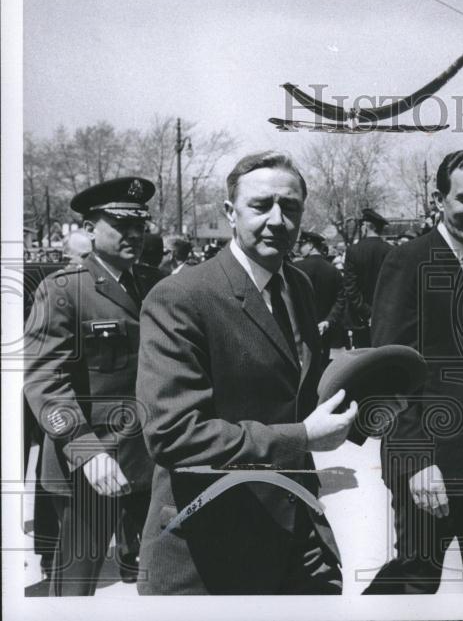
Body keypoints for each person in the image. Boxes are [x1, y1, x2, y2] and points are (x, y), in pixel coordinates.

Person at [135, 152, 358, 594]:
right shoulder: (181, 296)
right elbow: (172, 433)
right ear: (230, 213)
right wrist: (303, 437)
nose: (277, 220)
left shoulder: (299, 285)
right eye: (261, 205)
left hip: (294, 539)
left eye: (290, 207)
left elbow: (293, 391)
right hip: (208, 549)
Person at [364, 150, 463, 594]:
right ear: (439, 199)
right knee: (415, 585)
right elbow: (388, 373)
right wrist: (417, 462)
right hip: (429, 466)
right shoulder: (408, 261)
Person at [23, 177, 160, 595]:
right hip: (89, 462)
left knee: (159, 574)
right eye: (121, 224)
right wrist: (86, 451)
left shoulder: (153, 284)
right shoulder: (65, 290)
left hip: (148, 456)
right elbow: (45, 380)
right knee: (76, 585)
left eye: (140, 225)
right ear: (89, 228)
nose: (134, 235)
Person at [342, 208, 393, 348]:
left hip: (359, 319)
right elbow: (392, 288)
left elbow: (350, 288)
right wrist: (377, 313)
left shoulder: (353, 251)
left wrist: (366, 312)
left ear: (366, 226)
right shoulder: (390, 250)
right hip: (384, 318)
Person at [293, 230, 346, 356]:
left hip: (300, 329)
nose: (300, 248)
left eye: (302, 244)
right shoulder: (334, 271)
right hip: (325, 329)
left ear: (310, 245)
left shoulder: (295, 268)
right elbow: (341, 300)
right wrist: (328, 321)